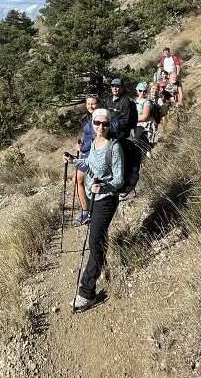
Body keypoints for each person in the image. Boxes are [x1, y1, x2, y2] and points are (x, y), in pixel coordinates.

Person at [64, 108, 122, 312]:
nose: (100, 127)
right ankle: (102, 265)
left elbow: (119, 179)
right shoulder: (96, 144)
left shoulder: (113, 147)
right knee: (98, 236)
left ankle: (87, 293)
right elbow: (89, 165)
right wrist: (73, 161)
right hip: (93, 196)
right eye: (97, 123)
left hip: (106, 199)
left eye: (105, 124)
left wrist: (103, 186)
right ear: (93, 123)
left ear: (109, 125)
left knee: (94, 240)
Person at [72, 95, 98, 226]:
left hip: (91, 155)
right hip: (86, 154)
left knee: (84, 181)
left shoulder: (98, 119)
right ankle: (86, 211)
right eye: (88, 104)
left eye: (93, 104)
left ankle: (87, 212)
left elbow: (95, 138)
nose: (90, 106)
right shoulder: (90, 117)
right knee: (77, 180)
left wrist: (81, 147)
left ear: (98, 104)